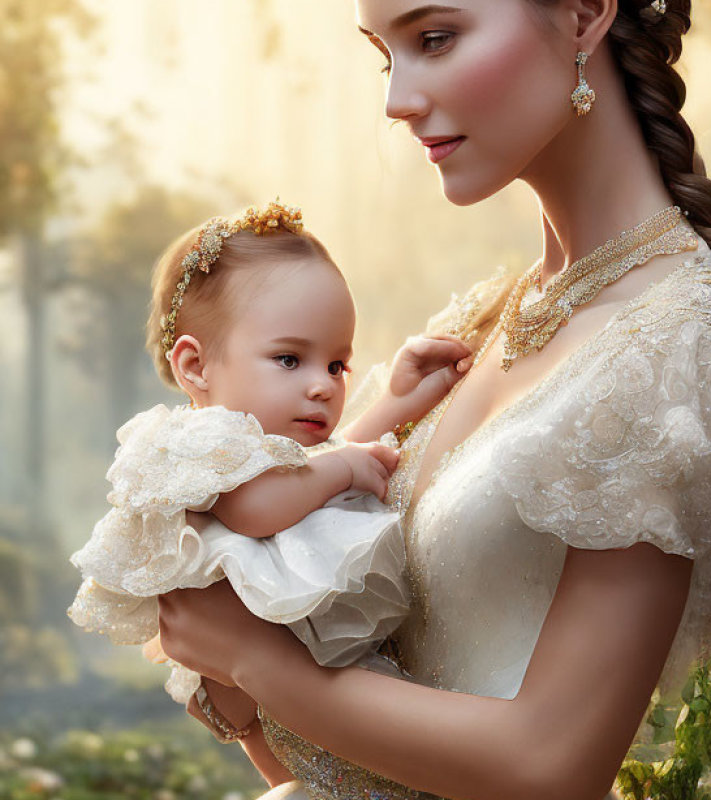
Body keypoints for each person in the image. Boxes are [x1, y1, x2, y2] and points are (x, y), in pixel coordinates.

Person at [156, 2, 711, 798]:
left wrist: (257, 663)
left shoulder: (674, 349)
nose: (396, 100)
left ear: (582, 15)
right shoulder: (483, 322)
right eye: (384, 54)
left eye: (434, 38)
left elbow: (553, 767)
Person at [68, 200, 471, 787]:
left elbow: (309, 471)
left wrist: (401, 400)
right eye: (289, 358)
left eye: (337, 365)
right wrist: (344, 472)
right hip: (242, 667)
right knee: (309, 774)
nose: (321, 386)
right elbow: (259, 510)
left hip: (272, 661)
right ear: (195, 366)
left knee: (329, 775)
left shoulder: (263, 440)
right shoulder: (203, 439)